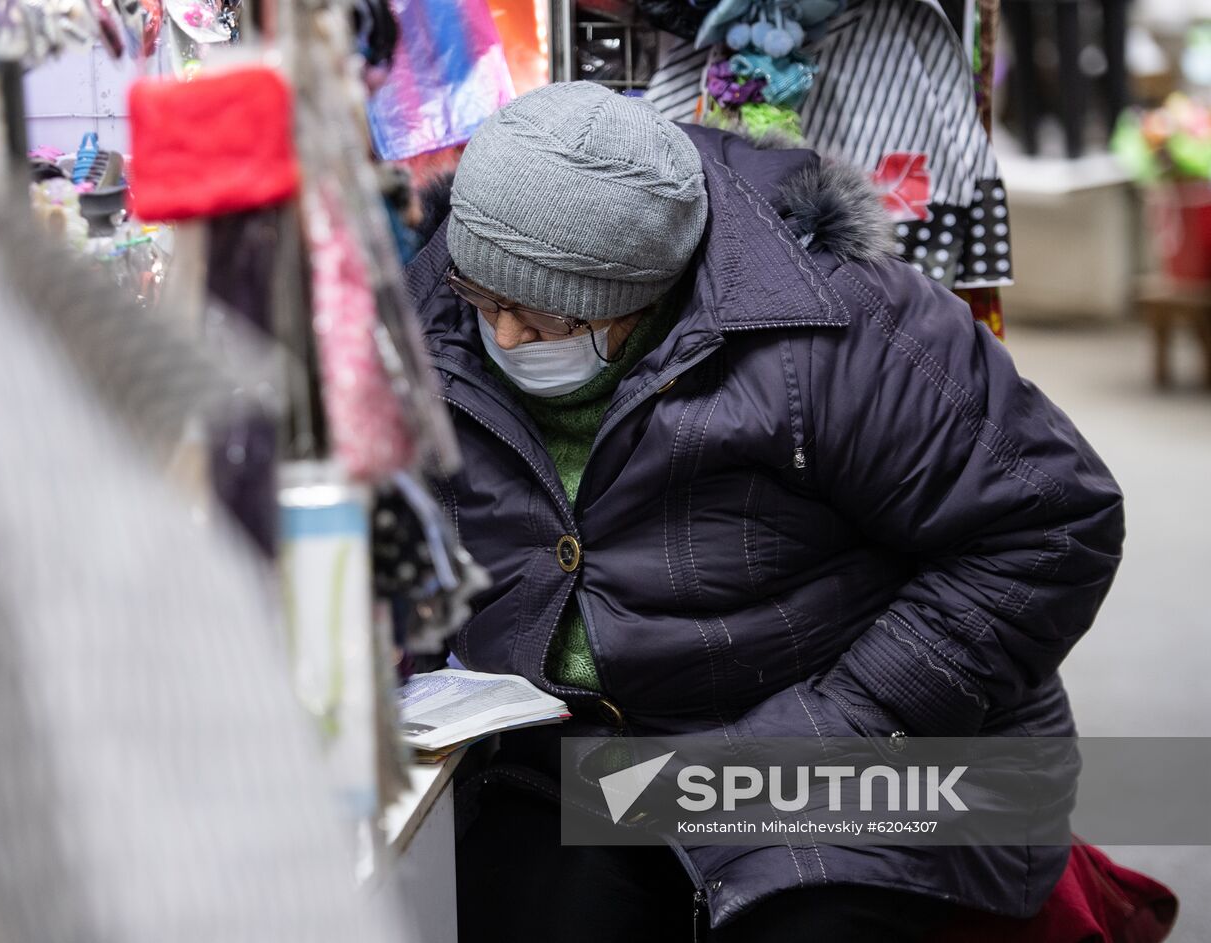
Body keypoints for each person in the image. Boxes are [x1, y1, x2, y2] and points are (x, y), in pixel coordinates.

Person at [404, 81, 1124, 942]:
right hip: (579, 771)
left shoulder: (844, 330)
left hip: (843, 748)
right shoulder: (434, 308)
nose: (507, 335)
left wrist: (837, 726)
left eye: (546, 312)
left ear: (651, 291)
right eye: (485, 298)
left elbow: (1050, 524)